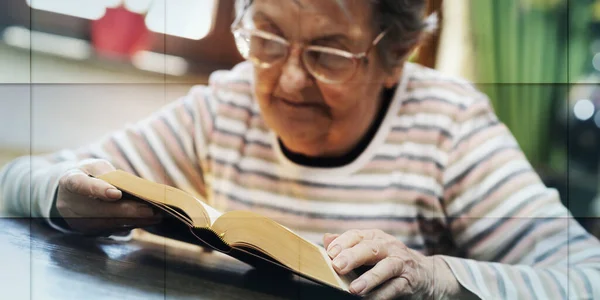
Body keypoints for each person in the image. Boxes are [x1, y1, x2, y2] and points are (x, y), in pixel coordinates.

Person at [1, 0, 599, 299]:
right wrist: (62, 196)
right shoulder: (228, 104)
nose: (288, 82)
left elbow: (587, 277)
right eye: (267, 38)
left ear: (397, 55)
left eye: (329, 54)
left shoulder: (448, 125)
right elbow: (18, 181)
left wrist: (438, 278)